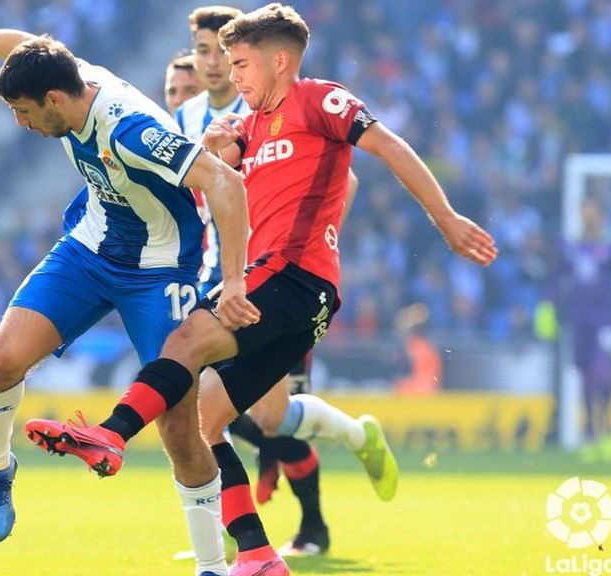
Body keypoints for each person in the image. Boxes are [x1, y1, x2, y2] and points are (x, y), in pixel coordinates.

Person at [26, 4, 497, 575]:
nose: (232, 75)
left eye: (242, 63)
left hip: (293, 276)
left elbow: (390, 148)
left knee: (186, 342)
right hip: (289, 290)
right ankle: (257, 554)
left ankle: (109, 434)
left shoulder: (321, 99)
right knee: (206, 422)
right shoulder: (247, 127)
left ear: (280, 61)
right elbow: (204, 188)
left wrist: (444, 219)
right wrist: (215, 143)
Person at [0, 29, 254, 576]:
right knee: (1, 362)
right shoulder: (66, 76)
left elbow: (225, 184)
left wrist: (233, 281)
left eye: (24, 112)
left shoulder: (132, 130)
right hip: (91, 248)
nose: (21, 125)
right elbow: (27, 42)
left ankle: (211, 566)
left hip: (160, 270)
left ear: (53, 100)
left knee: (180, 430)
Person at [176, 5, 370, 557]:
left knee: (267, 415)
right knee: (211, 408)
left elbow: (345, 178)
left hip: (281, 277)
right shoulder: (187, 118)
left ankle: (322, 501)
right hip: (220, 277)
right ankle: (229, 542)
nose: (215, 64)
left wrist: (309, 241)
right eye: (203, 52)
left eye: (224, 53)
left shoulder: (265, 103)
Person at [537, 196, 611, 462]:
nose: (589, 217)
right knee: (585, 376)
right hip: (579, 320)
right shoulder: (569, 247)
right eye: (585, 212)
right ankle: (589, 433)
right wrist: (548, 307)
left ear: (601, 216)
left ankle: (607, 429)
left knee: (602, 372)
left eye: (593, 212)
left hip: (605, 320)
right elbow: (555, 280)